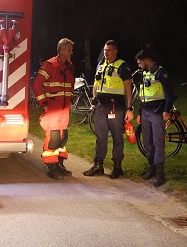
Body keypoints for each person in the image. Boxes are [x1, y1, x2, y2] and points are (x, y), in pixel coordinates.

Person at [83, 40, 134, 179]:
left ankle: (117, 166)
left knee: (117, 136)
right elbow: (96, 83)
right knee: (101, 136)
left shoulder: (122, 66)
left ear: (115, 51)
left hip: (115, 107)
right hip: (100, 106)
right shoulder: (101, 65)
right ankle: (98, 165)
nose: (106, 53)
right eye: (105, 50)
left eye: (109, 50)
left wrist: (129, 108)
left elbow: (128, 89)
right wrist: (94, 97)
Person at [32, 38, 74, 179]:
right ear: (61, 50)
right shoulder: (49, 65)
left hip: (64, 109)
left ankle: (59, 164)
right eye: (69, 50)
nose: (71, 53)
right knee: (53, 138)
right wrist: (44, 104)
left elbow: (70, 86)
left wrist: (71, 100)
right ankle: (51, 167)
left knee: (62, 138)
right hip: (53, 109)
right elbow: (37, 85)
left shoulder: (68, 66)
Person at [133, 48, 174, 187]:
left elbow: (169, 93)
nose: (139, 66)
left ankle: (159, 172)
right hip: (145, 112)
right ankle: (152, 167)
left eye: (140, 63)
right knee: (147, 142)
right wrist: (139, 112)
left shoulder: (161, 73)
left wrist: (167, 110)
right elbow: (142, 95)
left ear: (146, 61)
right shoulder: (144, 74)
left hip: (157, 112)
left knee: (158, 142)